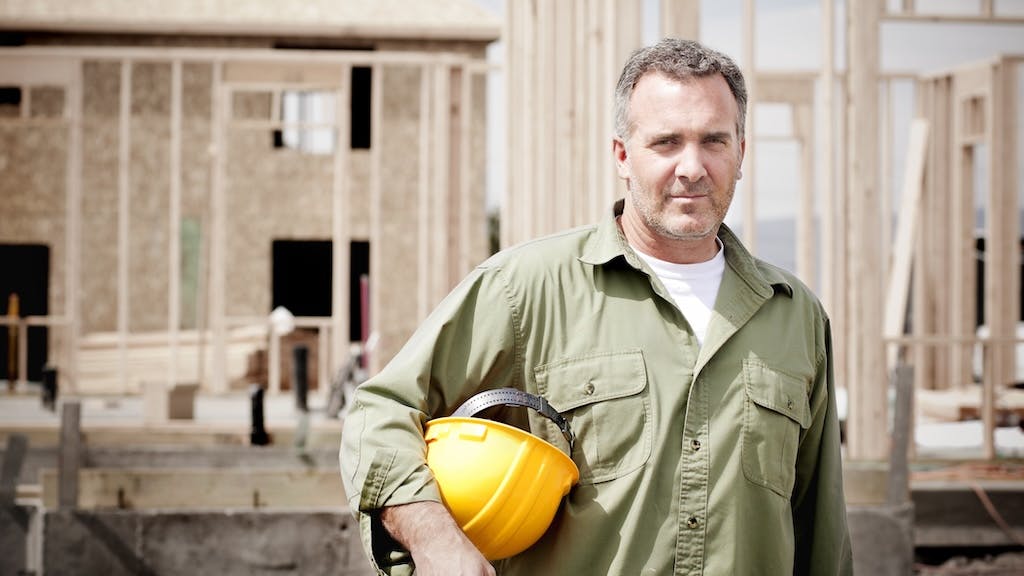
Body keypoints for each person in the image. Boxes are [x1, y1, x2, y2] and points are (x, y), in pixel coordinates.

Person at [340, 38, 853, 575]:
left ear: (740, 154)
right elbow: (380, 413)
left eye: (713, 141)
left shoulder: (794, 316)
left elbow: (820, 528)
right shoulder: (525, 289)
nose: (692, 167)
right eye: (666, 142)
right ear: (623, 155)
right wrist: (435, 538)